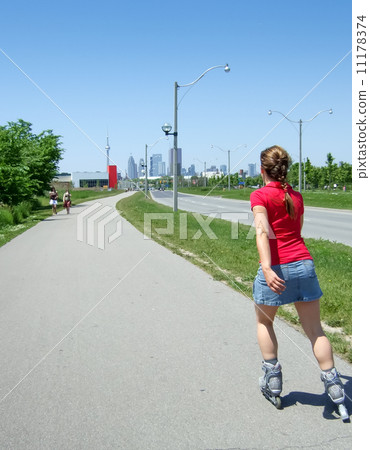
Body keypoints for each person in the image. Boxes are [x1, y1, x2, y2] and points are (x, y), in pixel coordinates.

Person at [250, 145, 347, 416]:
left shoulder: (259, 195)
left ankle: (273, 380)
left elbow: (262, 232)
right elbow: (297, 231)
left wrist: (268, 268)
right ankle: (335, 385)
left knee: (264, 321)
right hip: (304, 264)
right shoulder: (296, 196)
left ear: (262, 169)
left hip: (278, 268)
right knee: (315, 330)